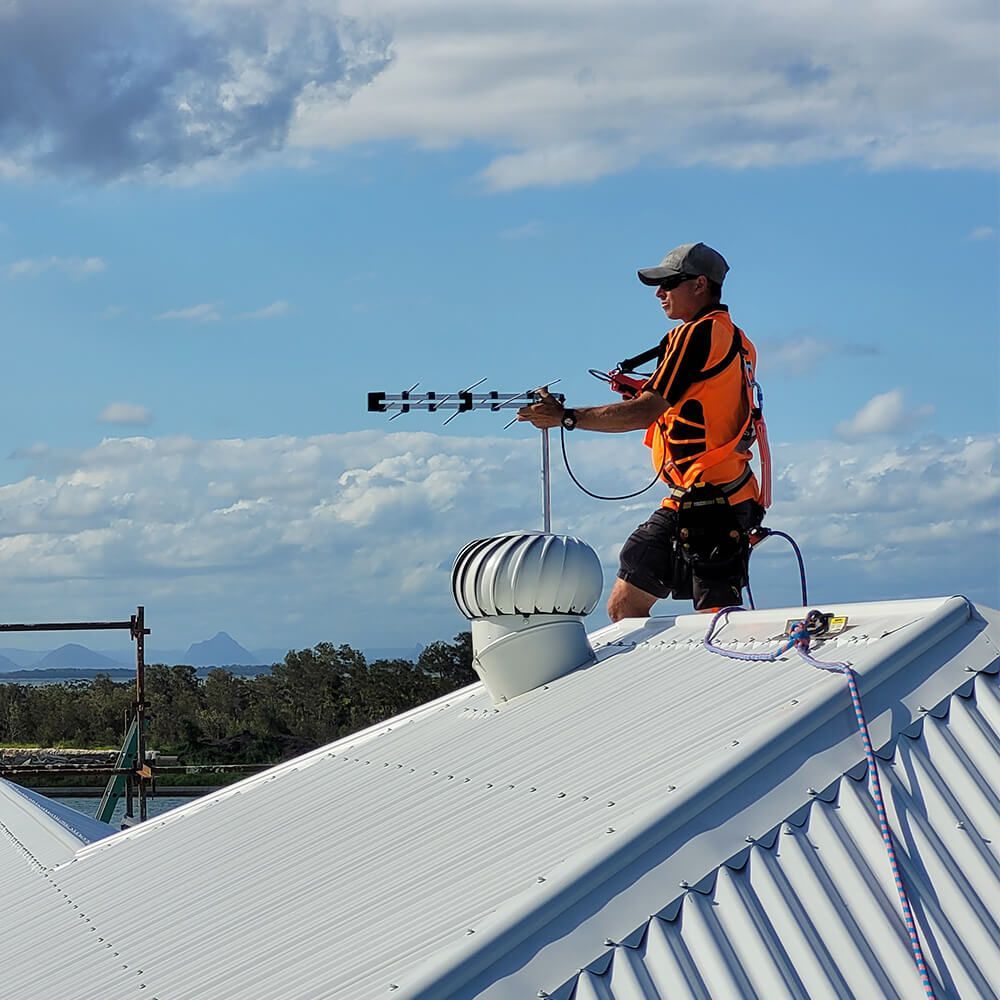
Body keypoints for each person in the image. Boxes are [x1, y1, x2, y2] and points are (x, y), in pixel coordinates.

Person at [517, 242, 764, 621]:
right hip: (711, 498)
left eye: (669, 283)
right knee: (628, 596)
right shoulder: (736, 339)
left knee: (718, 622)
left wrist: (566, 416)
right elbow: (702, 401)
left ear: (699, 285)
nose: (659, 293)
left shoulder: (697, 334)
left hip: (713, 505)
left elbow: (646, 412)